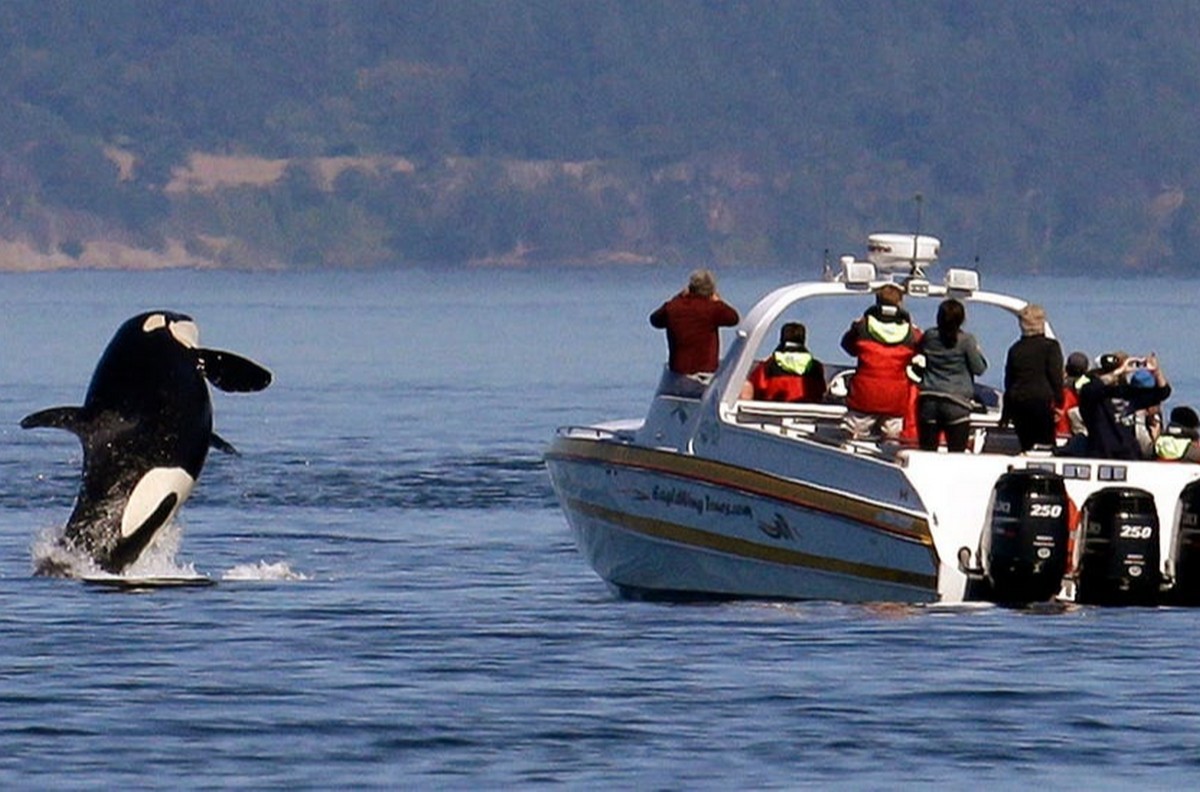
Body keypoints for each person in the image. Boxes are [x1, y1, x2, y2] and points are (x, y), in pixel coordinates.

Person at [840, 283, 921, 440]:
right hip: (895, 398)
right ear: (900, 303)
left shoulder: (862, 326)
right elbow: (920, 354)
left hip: (864, 395)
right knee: (893, 441)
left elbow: (847, 347)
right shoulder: (912, 333)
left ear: (877, 301)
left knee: (852, 439)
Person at [649, 269, 739, 396]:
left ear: (690, 287)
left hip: (676, 378)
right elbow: (733, 318)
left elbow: (655, 320)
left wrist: (678, 297)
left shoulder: (673, 307)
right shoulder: (713, 309)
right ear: (711, 290)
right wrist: (718, 300)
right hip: (702, 378)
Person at [913, 298, 987, 451]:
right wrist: (977, 351)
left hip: (929, 401)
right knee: (956, 455)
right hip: (957, 403)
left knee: (927, 454)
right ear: (962, 320)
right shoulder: (966, 340)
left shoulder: (929, 336)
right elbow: (979, 369)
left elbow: (917, 354)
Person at [1076, 352, 1172, 460]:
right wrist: (1117, 372)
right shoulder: (1092, 397)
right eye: (1107, 372)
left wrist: (1156, 372)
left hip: (1130, 455)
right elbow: (1089, 390)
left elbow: (1163, 392)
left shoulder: (1126, 393)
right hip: (1102, 454)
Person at [1001, 304, 1063, 451]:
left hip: (1018, 402)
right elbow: (1055, 376)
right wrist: (1059, 402)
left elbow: (1009, 381)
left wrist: (1006, 412)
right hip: (1041, 401)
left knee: (1026, 444)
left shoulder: (1015, 349)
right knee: (1045, 446)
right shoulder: (1051, 347)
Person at [742, 322, 827, 402]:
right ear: (804, 339)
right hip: (808, 416)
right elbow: (821, 393)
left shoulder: (768, 365)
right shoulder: (816, 367)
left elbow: (754, 389)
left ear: (782, 338)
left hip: (773, 415)